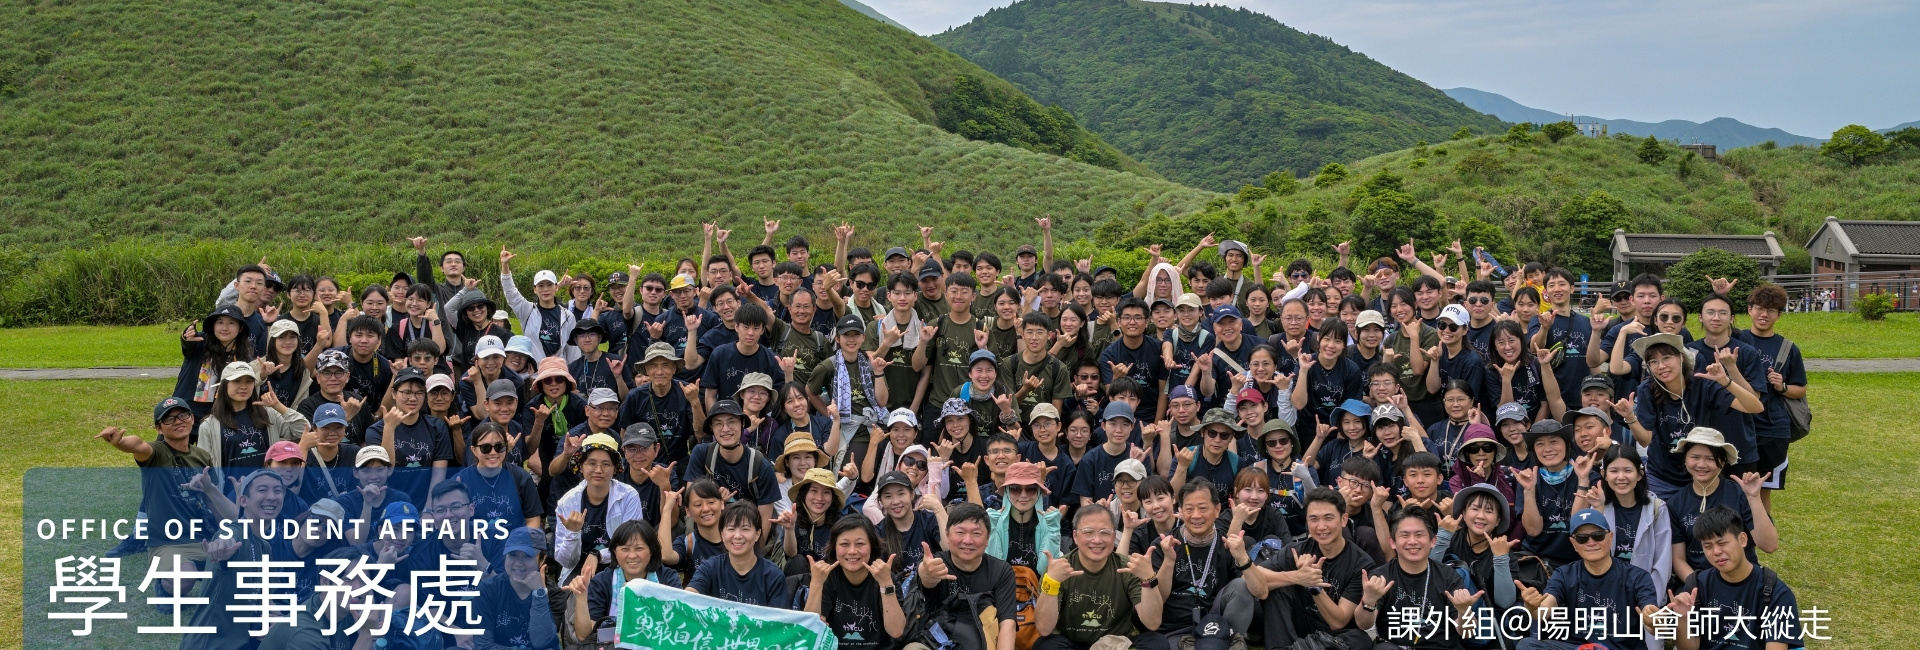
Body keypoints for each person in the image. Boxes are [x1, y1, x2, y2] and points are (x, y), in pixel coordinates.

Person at [1627, 333, 1763, 501]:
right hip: (1662, 475)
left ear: (1681, 358)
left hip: (1700, 473)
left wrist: (1725, 381)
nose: (1661, 366)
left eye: (1666, 358)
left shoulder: (1702, 384)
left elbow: (1755, 407)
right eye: (1653, 362)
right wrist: (1630, 417)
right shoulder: (1647, 389)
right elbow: (1645, 440)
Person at [1513, 509, 1662, 650]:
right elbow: (1545, 608)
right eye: (1582, 538)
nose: (1591, 542)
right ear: (1573, 543)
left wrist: (1654, 621)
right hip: (1579, 647)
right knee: (1527, 645)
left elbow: (1651, 616)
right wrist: (1532, 607)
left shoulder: (1637, 576)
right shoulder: (1564, 574)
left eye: (1598, 535)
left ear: (1610, 537)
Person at [1033, 505, 1169, 650]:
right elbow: (1044, 629)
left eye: (1105, 533)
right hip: (1073, 643)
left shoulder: (1128, 568)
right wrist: (1052, 582)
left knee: (1157, 643)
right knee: (1045, 645)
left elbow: (1153, 623)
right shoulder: (1059, 569)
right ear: (1075, 536)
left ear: (1114, 536)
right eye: (1088, 532)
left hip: (1118, 643)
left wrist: (1148, 578)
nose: (1097, 540)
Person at [1668, 507, 1804, 650]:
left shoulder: (1775, 592)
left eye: (1722, 543)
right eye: (1708, 546)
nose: (1716, 552)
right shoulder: (1697, 585)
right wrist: (1682, 619)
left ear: (1742, 539)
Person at [1354, 504, 1480, 650]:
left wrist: (1464, 611)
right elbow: (1363, 624)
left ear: (1433, 540)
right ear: (1392, 542)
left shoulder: (1448, 576)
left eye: (1419, 535)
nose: (1412, 541)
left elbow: (1468, 632)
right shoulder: (1381, 576)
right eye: (1405, 535)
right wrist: (1369, 600)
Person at [1666, 428, 1778, 584]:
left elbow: (1769, 545)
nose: (1701, 464)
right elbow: (1678, 559)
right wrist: (1699, 586)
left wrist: (1754, 498)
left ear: (1723, 462)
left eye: (1710, 458)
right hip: (1699, 583)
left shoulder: (1739, 494)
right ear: (1685, 459)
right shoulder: (1675, 503)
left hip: (1743, 579)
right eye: (1695, 457)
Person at [1732, 283, 1805, 514]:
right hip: (1739, 424)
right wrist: (1721, 294)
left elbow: (1800, 389)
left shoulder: (1788, 348)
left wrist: (1782, 386)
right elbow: (1718, 319)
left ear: (1779, 315)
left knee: (1762, 489)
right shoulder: (1737, 338)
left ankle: (1761, 530)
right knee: (1733, 486)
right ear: (1749, 310)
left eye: (1771, 310)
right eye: (1760, 308)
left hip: (1772, 429)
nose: (1764, 314)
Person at [917, 502, 1019, 650]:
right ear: (947, 535)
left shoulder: (1001, 570)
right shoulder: (936, 564)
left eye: (976, 533)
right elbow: (927, 577)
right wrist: (926, 573)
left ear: (987, 539)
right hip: (937, 643)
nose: (967, 540)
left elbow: (1007, 623)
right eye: (960, 532)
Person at [563, 519, 679, 647]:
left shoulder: (667, 578)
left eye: (639, 548)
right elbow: (584, 636)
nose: (632, 555)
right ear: (614, 552)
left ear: (652, 551)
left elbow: (677, 625)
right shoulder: (602, 581)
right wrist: (581, 595)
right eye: (625, 549)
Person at [803, 515, 906, 650]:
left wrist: (886, 583)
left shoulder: (885, 576)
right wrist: (816, 583)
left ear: (872, 546)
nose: (852, 551)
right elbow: (809, 633)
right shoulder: (827, 576)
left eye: (860, 544)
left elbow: (896, 631)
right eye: (844, 544)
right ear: (834, 547)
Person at [555, 433, 645, 584]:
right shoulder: (567, 502)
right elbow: (565, 561)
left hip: (620, 565)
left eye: (606, 464)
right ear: (581, 466)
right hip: (579, 568)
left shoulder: (629, 496)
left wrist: (598, 554)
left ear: (615, 468)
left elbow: (632, 545)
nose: (598, 470)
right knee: (577, 594)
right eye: (591, 463)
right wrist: (573, 533)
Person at [195, 360, 309, 472]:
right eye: (236, 381)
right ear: (224, 385)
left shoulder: (268, 414)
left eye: (249, 381)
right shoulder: (209, 426)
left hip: (269, 483)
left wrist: (278, 406)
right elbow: (203, 467)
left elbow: (303, 430)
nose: (243, 386)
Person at [363, 368, 454, 506]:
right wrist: (389, 429)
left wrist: (429, 509)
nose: (413, 398)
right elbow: (385, 472)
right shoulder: (375, 431)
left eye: (419, 393)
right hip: (388, 505)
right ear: (394, 393)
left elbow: (438, 474)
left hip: (425, 503)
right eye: (406, 392)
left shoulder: (437, 427)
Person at [1514, 419, 1594, 568]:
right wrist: (1529, 491)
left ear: (1567, 444)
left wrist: (1583, 481)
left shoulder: (1588, 476)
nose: (1547, 449)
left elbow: (1578, 526)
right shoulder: (1527, 479)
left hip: (1576, 560)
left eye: (1554, 441)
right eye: (1540, 444)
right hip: (1537, 558)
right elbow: (1533, 530)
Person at [617, 342, 703, 470]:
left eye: (665, 365)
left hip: (680, 463)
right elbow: (624, 434)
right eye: (653, 366)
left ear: (674, 369)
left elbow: (701, 435)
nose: (659, 372)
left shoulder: (686, 392)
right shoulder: (635, 397)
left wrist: (695, 402)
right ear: (647, 370)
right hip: (645, 464)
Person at [687, 501, 789, 606]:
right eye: (731, 529)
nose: (737, 536)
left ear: (757, 534)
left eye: (745, 529)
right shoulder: (710, 568)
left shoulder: (773, 576)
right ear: (722, 534)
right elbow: (688, 597)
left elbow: (778, 615)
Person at [455, 422, 544, 533]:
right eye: (485, 448)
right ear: (474, 450)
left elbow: (533, 520)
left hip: (514, 539)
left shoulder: (521, 477)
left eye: (499, 447)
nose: (493, 452)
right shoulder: (461, 481)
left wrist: (519, 540)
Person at [500, 248, 578, 363]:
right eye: (541, 285)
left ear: (556, 287)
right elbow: (511, 292)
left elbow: (573, 350)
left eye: (549, 285)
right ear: (535, 289)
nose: (545, 289)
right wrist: (505, 265)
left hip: (558, 371)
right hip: (534, 371)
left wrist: (574, 371)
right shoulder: (527, 311)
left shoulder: (568, 316)